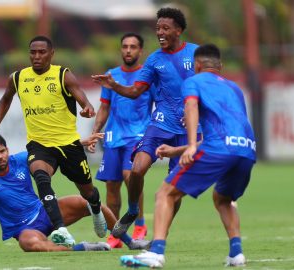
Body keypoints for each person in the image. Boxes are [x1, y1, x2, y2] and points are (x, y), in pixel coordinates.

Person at [120, 44, 257, 268]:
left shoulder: (192, 81)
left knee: (165, 193)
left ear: (197, 66)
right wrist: (175, 151)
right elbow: (230, 130)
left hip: (217, 149)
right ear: (220, 66)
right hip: (247, 149)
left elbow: (191, 106)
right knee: (223, 199)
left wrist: (191, 144)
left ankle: (155, 253)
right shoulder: (235, 88)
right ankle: (236, 253)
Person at [0, 35, 106, 247]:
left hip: (69, 145)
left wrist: (87, 106)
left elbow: (80, 95)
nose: (36, 56)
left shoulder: (62, 75)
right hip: (39, 144)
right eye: (33, 52)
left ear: (51, 54)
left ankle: (95, 209)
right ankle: (61, 229)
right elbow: (5, 99)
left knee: (88, 191)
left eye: (41, 52)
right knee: (40, 176)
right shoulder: (18, 78)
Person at [92, 7, 201, 238]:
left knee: (174, 188)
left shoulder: (196, 54)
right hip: (160, 124)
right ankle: (132, 211)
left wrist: (197, 109)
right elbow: (134, 91)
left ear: (178, 30)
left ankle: (162, 234)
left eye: (165, 28)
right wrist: (115, 86)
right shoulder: (153, 60)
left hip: (189, 130)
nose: (160, 32)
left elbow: (209, 85)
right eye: (158, 28)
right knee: (137, 169)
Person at [0, 134, 151, 253]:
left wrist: (81, 142)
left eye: (3, 151)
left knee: (88, 201)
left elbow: (51, 148)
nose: (0, 156)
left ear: (7, 150)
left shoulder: (19, 160)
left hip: (45, 212)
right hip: (24, 229)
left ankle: (130, 241)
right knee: (29, 244)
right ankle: (83, 248)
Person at [89, 33, 154, 247]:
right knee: (112, 187)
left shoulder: (148, 75)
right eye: (125, 46)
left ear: (140, 51)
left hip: (137, 135)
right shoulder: (111, 75)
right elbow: (105, 107)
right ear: (121, 49)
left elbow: (160, 103)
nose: (128, 50)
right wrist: (95, 131)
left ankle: (140, 225)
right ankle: (116, 234)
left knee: (131, 176)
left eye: (133, 47)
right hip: (113, 137)